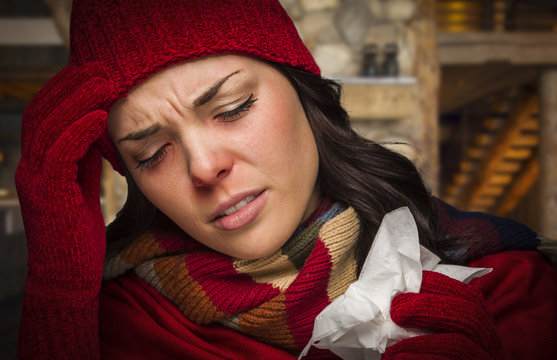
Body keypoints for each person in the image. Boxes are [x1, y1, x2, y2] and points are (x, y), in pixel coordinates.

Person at [15, 0, 557, 359]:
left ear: (304, 94)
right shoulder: (119, 328)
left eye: (232, 107)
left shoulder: (510, 281)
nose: (204, 168)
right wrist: (59, 292)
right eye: (153, 153)